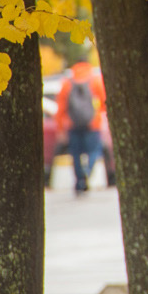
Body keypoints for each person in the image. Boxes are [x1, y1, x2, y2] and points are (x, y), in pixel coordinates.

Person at [54, 62, 109, 196]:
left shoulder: (67, 83)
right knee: (94, 150)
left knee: (76, 153)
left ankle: (79, 181)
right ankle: (87, 171)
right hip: (92, 124)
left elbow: (61, 108)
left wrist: (61, 128)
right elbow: (104, 102)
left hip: (72, 124)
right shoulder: (95, 81)